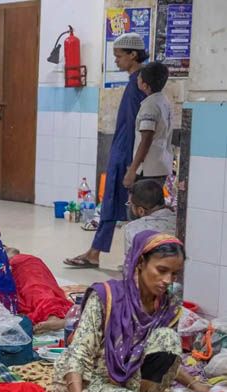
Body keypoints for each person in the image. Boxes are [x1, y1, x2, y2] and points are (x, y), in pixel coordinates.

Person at [50, 231, 211, 392]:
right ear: (141, 262)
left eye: (174, 273)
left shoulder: (168, 305)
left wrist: (195, 385)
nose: (167, 280)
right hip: (91, 379)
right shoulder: (107, 297)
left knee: (168, 339)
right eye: (161, 270)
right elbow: (79, 353)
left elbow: (165, 354)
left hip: (129, 378)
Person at [65, 32, 148, 269]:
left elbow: (136, 126)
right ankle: (95, 252)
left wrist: (132, 164)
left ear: (133, 54)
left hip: (126, 153)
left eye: (119, 56)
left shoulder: (138, 84)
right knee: (113, 203)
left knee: (128, 205)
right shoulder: (135, 81)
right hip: (122, 150)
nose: (116, 61)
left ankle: (132, 258)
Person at [124, 62, 172, 189]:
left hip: (148, 170)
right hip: (161, 165)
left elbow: (146, 140)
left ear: (145, 85)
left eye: (139, 77)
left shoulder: (150, 106)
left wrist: (132, 170)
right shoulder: (163, 101)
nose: (137, 79)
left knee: (142, 205)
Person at [5, 247, 73, 334]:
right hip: (11, 279)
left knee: (36, 289)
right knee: (26, 303)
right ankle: (51, 318)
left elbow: (13, 251)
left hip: (22, 265)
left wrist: (2, 262)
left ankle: (53, 317)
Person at [124, 178, 175, 254]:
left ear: (141, 211)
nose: (130, 207)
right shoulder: (181, 222)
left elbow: (131, 262)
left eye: (130, 204)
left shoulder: (131, 229)